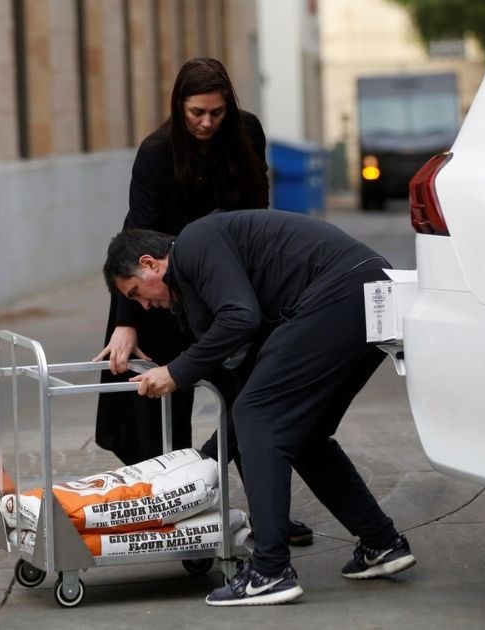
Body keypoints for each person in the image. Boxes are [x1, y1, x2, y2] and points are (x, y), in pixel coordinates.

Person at [102, 209, 417, 606]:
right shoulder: (201, 279)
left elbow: (241, 317)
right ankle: (381, 542)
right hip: (365, 297)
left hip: (345, 292)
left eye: (135, 293)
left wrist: (177, 371)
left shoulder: (195, 243)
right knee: (302, 434)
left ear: (150, 264)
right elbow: (245, 382)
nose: (144, 307)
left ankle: (270, 571)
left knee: (259, 415)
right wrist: (203, 462)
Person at [91, 58, 312, 546]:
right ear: (179, 107)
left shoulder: (247, 134)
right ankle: (171, 517)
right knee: (162, 409)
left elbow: (260, 210)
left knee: (251, 402)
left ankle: (267, 515)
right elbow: (136, 236)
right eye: (196, 113)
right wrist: (128, 321)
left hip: (232, 291)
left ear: (228, 107)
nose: (206, 123)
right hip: (161, 291)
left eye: (215, 112)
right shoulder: (156, 152)